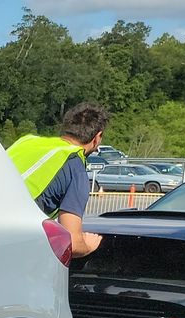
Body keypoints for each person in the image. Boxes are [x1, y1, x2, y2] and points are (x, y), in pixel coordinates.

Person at [6, 103, 109, 257]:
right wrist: (88, 246)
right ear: (97, 137)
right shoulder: (75, 167)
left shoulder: (26, 141)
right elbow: (72, 243)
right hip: (7, 241)